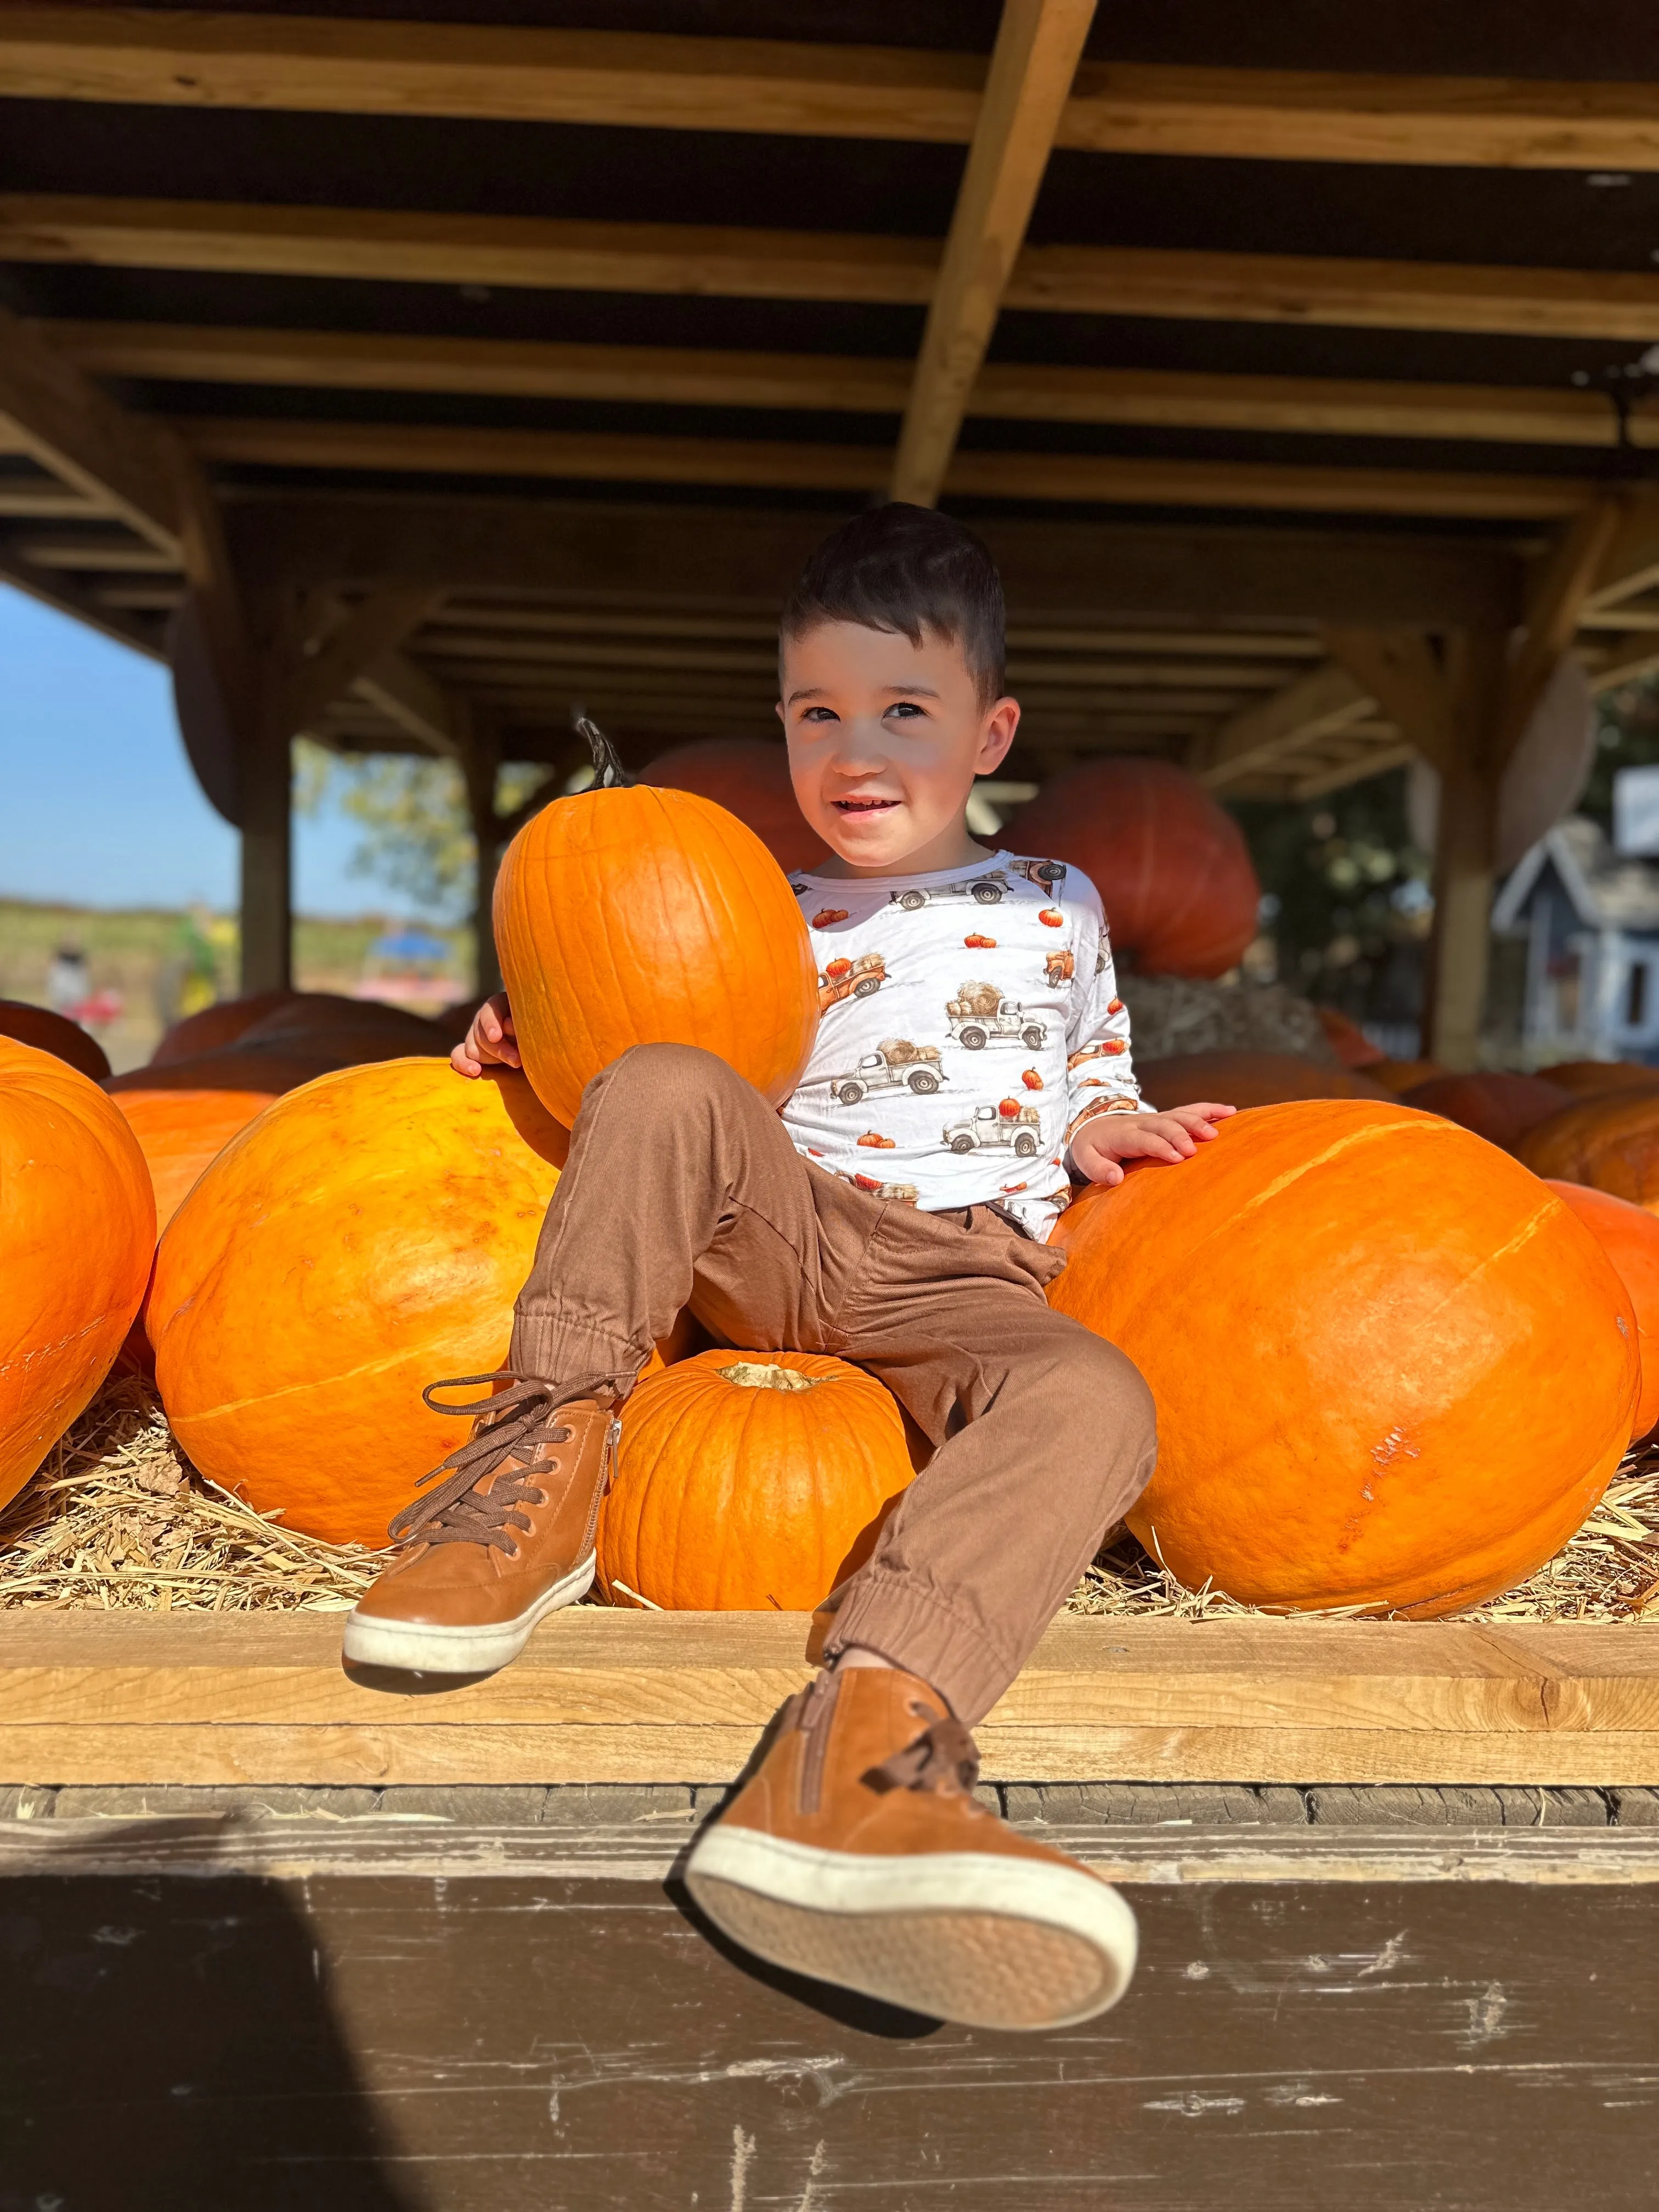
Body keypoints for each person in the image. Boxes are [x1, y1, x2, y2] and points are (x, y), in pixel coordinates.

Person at [344, 505, 1234, 2030]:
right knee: (662, 1076)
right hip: (785, 1226)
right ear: (781, 724)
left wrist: (1113, 1122)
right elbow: (637, 982)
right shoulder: (760, 895)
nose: (857, 749)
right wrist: (523, 1033)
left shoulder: (1055, 902)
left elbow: (1088, 1057)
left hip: (963, 1277)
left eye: (905, 710)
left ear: (991, 729)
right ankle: (543, 1456)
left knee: (1098, 1398)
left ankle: (869, 1736)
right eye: (819, 712)